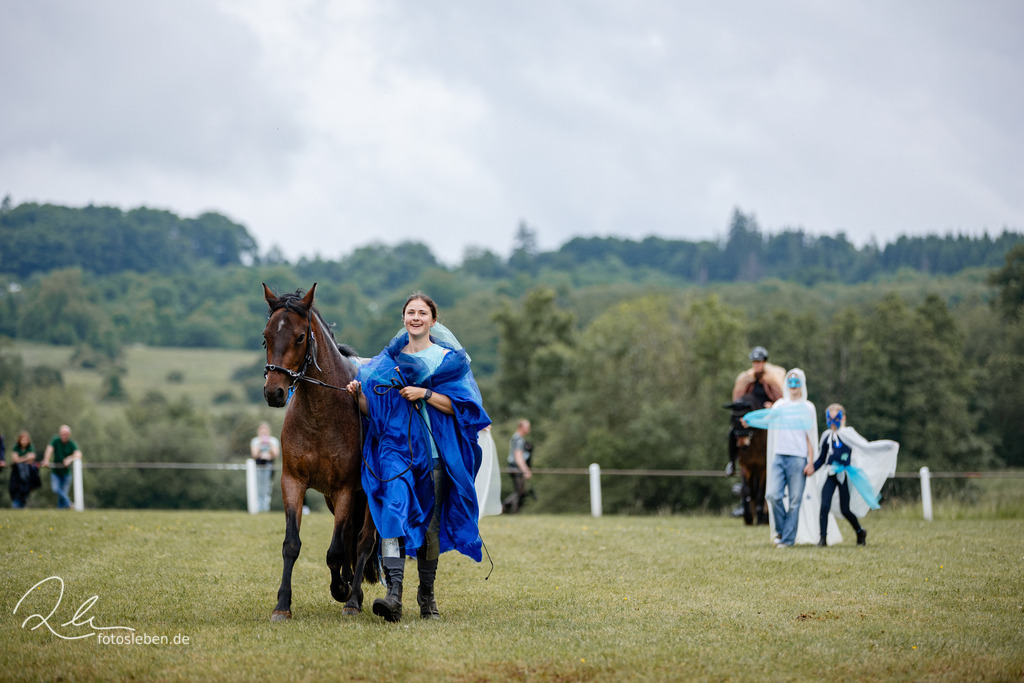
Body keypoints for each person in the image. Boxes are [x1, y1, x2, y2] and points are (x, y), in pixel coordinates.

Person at [346, 291, 490, 623]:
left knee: (431, 529)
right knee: (392, 514)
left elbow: (462, 407)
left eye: (422, 313)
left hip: (437, 455)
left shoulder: (448, 360)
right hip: (396, 451)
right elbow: (375, 408)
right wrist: (357, 397)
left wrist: (425, 392)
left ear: (433, 320)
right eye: (410, 312)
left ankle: (427, 598)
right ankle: (393, 596)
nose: (416, 317)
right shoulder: (386, 363)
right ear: (404, 319)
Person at [806, 404, 899, 546]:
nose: (832, 423)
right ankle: (822, 539)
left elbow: (866, 446)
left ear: (843, 418)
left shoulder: (847, 434)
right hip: (830, 474)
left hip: (844, 475)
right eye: (829, 419)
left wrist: (887, 446)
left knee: (845, 509)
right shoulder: (826, 436)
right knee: (824, 505)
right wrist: (812, 468)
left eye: (835, 419)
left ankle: (860, 531)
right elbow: (822, 458)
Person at [758, 369, 817, 547]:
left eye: (797, 382)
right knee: (773, 495)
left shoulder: (808, 408)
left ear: (802, 384)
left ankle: (787, 540)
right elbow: (765, 419)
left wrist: (811, 461)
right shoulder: (779, 406)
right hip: (779, 456)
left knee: (794, 501)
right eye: (790, 382)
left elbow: (810, 436)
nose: (793, 386)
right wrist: (748, 420)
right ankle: (783, 531)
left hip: (798, 459)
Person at [726, 346, 785, 476]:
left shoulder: (771, 380)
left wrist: (773, 405)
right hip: (750, 417)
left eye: (759, 362)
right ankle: (732, 461)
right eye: (755, 362)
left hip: (766, 417)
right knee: (733, 431)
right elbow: (739, 397)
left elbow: (780, 399)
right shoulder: (747, 379)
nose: (756, 365)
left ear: (764, 363)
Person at [41, 425, 82, 509]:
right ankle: (69, 504)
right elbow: (49, 449)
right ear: (59, 433)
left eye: (65, 434)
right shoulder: (55, 440)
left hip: (66, 473)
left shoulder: (71, 443)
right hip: (56, 472)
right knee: (56, 489)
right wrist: (46, 460)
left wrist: (70, 458)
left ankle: (61, 511)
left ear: (69, 434)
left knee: (62, 493)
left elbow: (78, 454)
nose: (64, 436)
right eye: (62, 434)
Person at [502, 419, 534, 513]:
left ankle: (509, 508)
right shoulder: (519, 439)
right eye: (527, 426)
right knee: (520, 491)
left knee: (520, 491)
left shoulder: (515, 437)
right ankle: (506, 507)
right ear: (521, 427)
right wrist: (525, 470)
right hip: (516, 467)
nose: (529, 429)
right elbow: (518, 456)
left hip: (513, 466)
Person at [249, 421, 281, 512]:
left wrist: (269, 445)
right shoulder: (255, 441)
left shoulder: (273, 441)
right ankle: (259, 508)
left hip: (269, 465)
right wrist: (260, 444)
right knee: (259, 488)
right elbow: (254, 454)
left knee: (267, 488)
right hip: (258, 466)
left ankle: (265, 508)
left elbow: (275, 454)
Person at [9, 431, 41, 508]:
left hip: (27, 474)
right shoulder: (16, 447)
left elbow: (31, 460)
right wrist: (26, 457)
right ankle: (16, 507)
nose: (24, 441)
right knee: (15, 490)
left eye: (25, 439)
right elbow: (15, 460)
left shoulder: (31, 447)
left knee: (25, 491)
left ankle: (21, 507)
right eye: (22, 439)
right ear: (19, 440)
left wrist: (20, 459)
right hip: (17, 475)